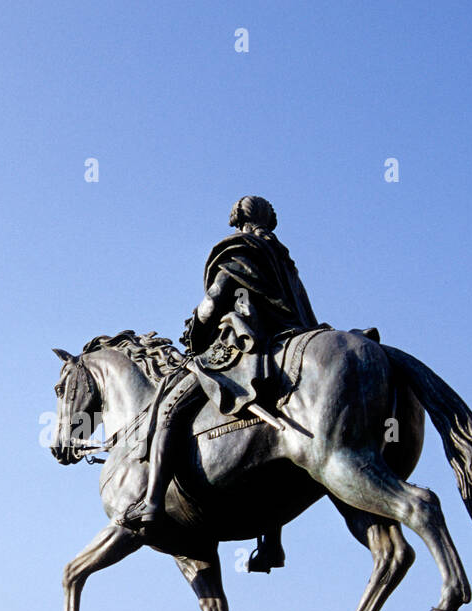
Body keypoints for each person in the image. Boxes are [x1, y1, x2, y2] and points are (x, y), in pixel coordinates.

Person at [119, 196, 322, 567]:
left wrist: (195, 324)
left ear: (237, 220)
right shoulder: (283, 256)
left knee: (167, 406)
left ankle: (150, 504)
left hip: (245, 344)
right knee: (272, 437)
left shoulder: (238, 249)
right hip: (291, 341)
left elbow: (214, 302)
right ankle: (271, 540)